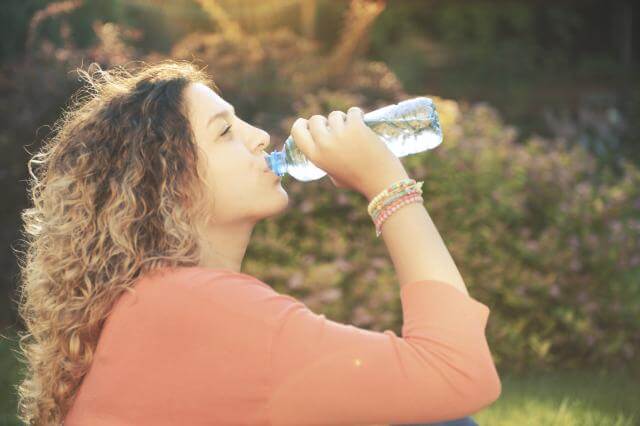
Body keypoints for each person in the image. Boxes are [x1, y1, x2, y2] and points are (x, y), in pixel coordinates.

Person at [15, 60, 500, 426]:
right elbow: (458, 373)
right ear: (167, 182)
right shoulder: (198, 305)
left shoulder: (154, 303)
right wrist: (387, 183)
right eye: (225, 131)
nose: (260, 137)